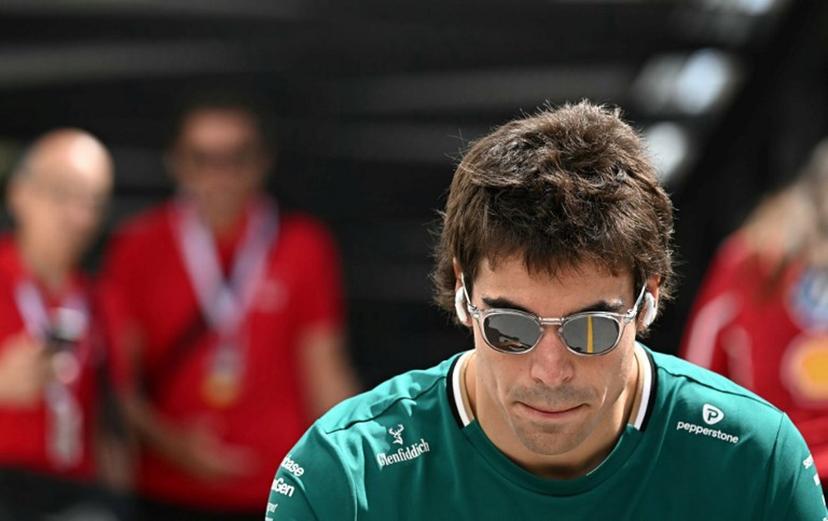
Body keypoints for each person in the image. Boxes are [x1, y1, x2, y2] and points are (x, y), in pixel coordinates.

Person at [266, 101, 827, 520]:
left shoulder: (755, 462)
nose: (550, 370)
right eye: (510, 328)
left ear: (648, 299)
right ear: (463, 295)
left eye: (593, 330)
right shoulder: (343, 477)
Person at [101, 94, 359, 520]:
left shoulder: (303, 245)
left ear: (263, 161)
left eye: (237, 157)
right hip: (166, 493)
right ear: (177, 163)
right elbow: (116, 385)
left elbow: (325, 373)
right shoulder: (139, 246)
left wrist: (366, 457)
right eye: (202, 158)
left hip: (281, 493)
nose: (220, 174)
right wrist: (173, 445)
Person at [682, 139, 828, 497]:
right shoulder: (750, 261)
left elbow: (699, 374)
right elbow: (701, 372)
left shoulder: (747, 257)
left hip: (771, 469)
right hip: (771, 468)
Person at [0, 129, 123, 519]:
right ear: (19, 193)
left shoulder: (102, 299)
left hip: (74, 493)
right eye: (63, 192)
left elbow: (113, 421)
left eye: (94, 201)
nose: (79, 216)